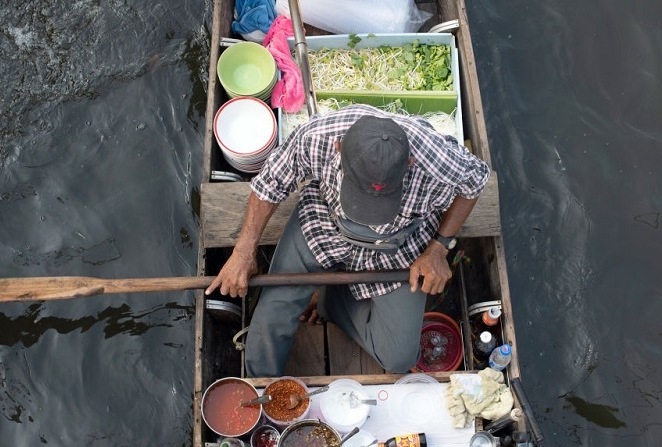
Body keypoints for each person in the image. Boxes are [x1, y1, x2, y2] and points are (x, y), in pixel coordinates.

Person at [205, 104, 491, 377]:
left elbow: (476, 180)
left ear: (410, 164)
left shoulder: (436, 154)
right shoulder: (317, 136)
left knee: (400, 358)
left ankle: (332, 301)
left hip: (399, 244)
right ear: (338, 149)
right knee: (271, 319)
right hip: (323, 223)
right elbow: (269, 185)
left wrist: (439, 247)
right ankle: (262, 387)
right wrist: (243, 252)